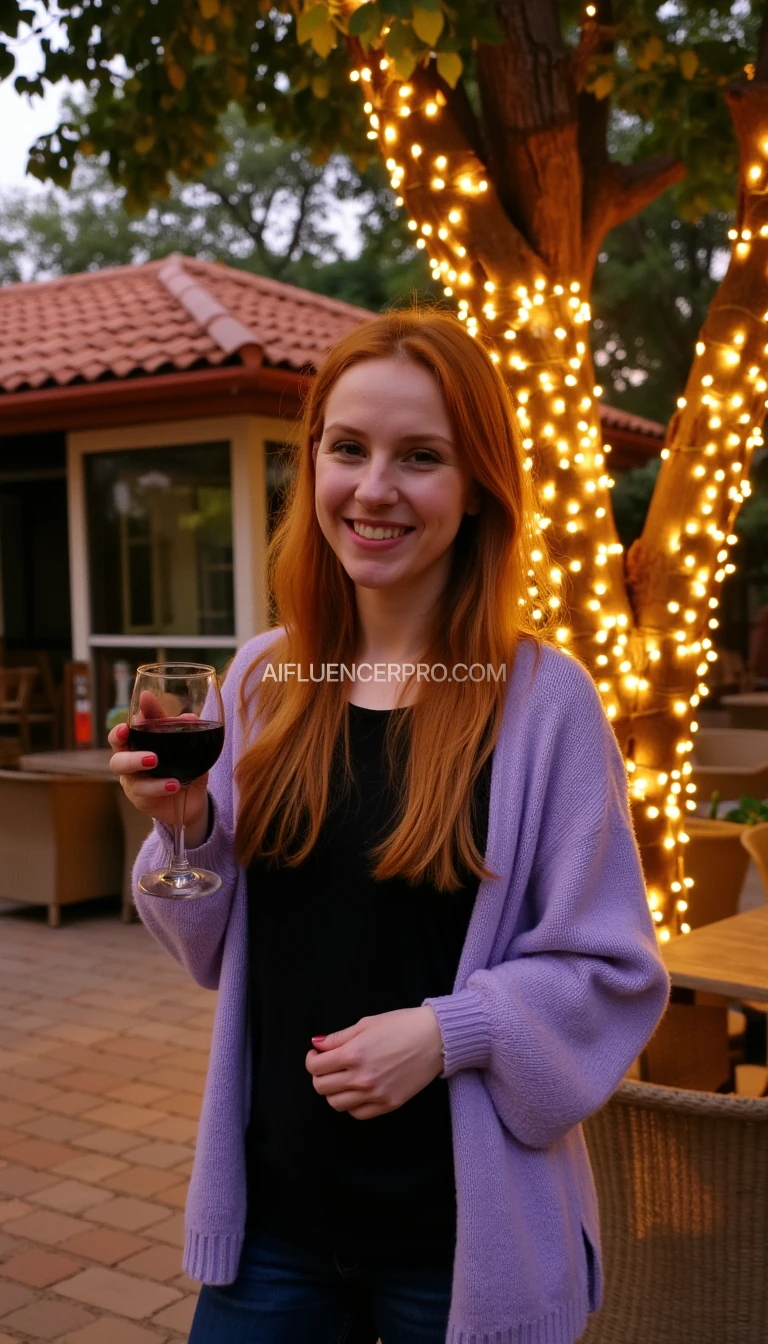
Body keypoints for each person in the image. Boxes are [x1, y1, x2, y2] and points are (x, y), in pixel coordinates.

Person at [111, 308, 670, 1344]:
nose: (375, 489)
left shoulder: (546, 703)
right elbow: (209, 951)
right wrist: (185, 833)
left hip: (458, 1244)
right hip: (272, 1230)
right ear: (313, 463)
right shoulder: (268, 678)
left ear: (476, 488)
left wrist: (449, 1032)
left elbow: (613, 973)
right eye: (348, 448)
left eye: (421, 457)